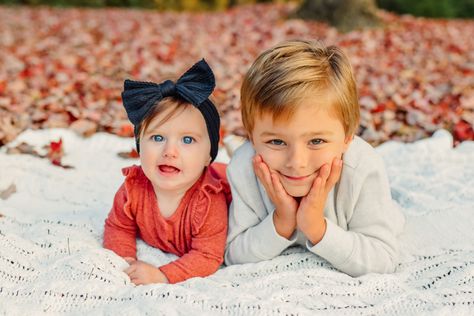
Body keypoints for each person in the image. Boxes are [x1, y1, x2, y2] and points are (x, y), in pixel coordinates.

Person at [225, 40, 405, 277]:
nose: (297, 162)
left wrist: (316, 227)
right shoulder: (244, 166)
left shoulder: (362, 166)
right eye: (276, 142)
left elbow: (383, 259)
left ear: (347, 138)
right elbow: (233, 254)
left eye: (316, 141)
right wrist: (282, 220)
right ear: (251, 137)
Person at [104, 59, 229, 285]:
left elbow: (208, 256)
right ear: (139, 146)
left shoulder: (209, 201)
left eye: (188, 140)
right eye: (158, 138)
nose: (169, 151)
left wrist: (162, 274)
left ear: (208, 156)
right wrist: (125, 260)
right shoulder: (132, 189)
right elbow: (118, 226)